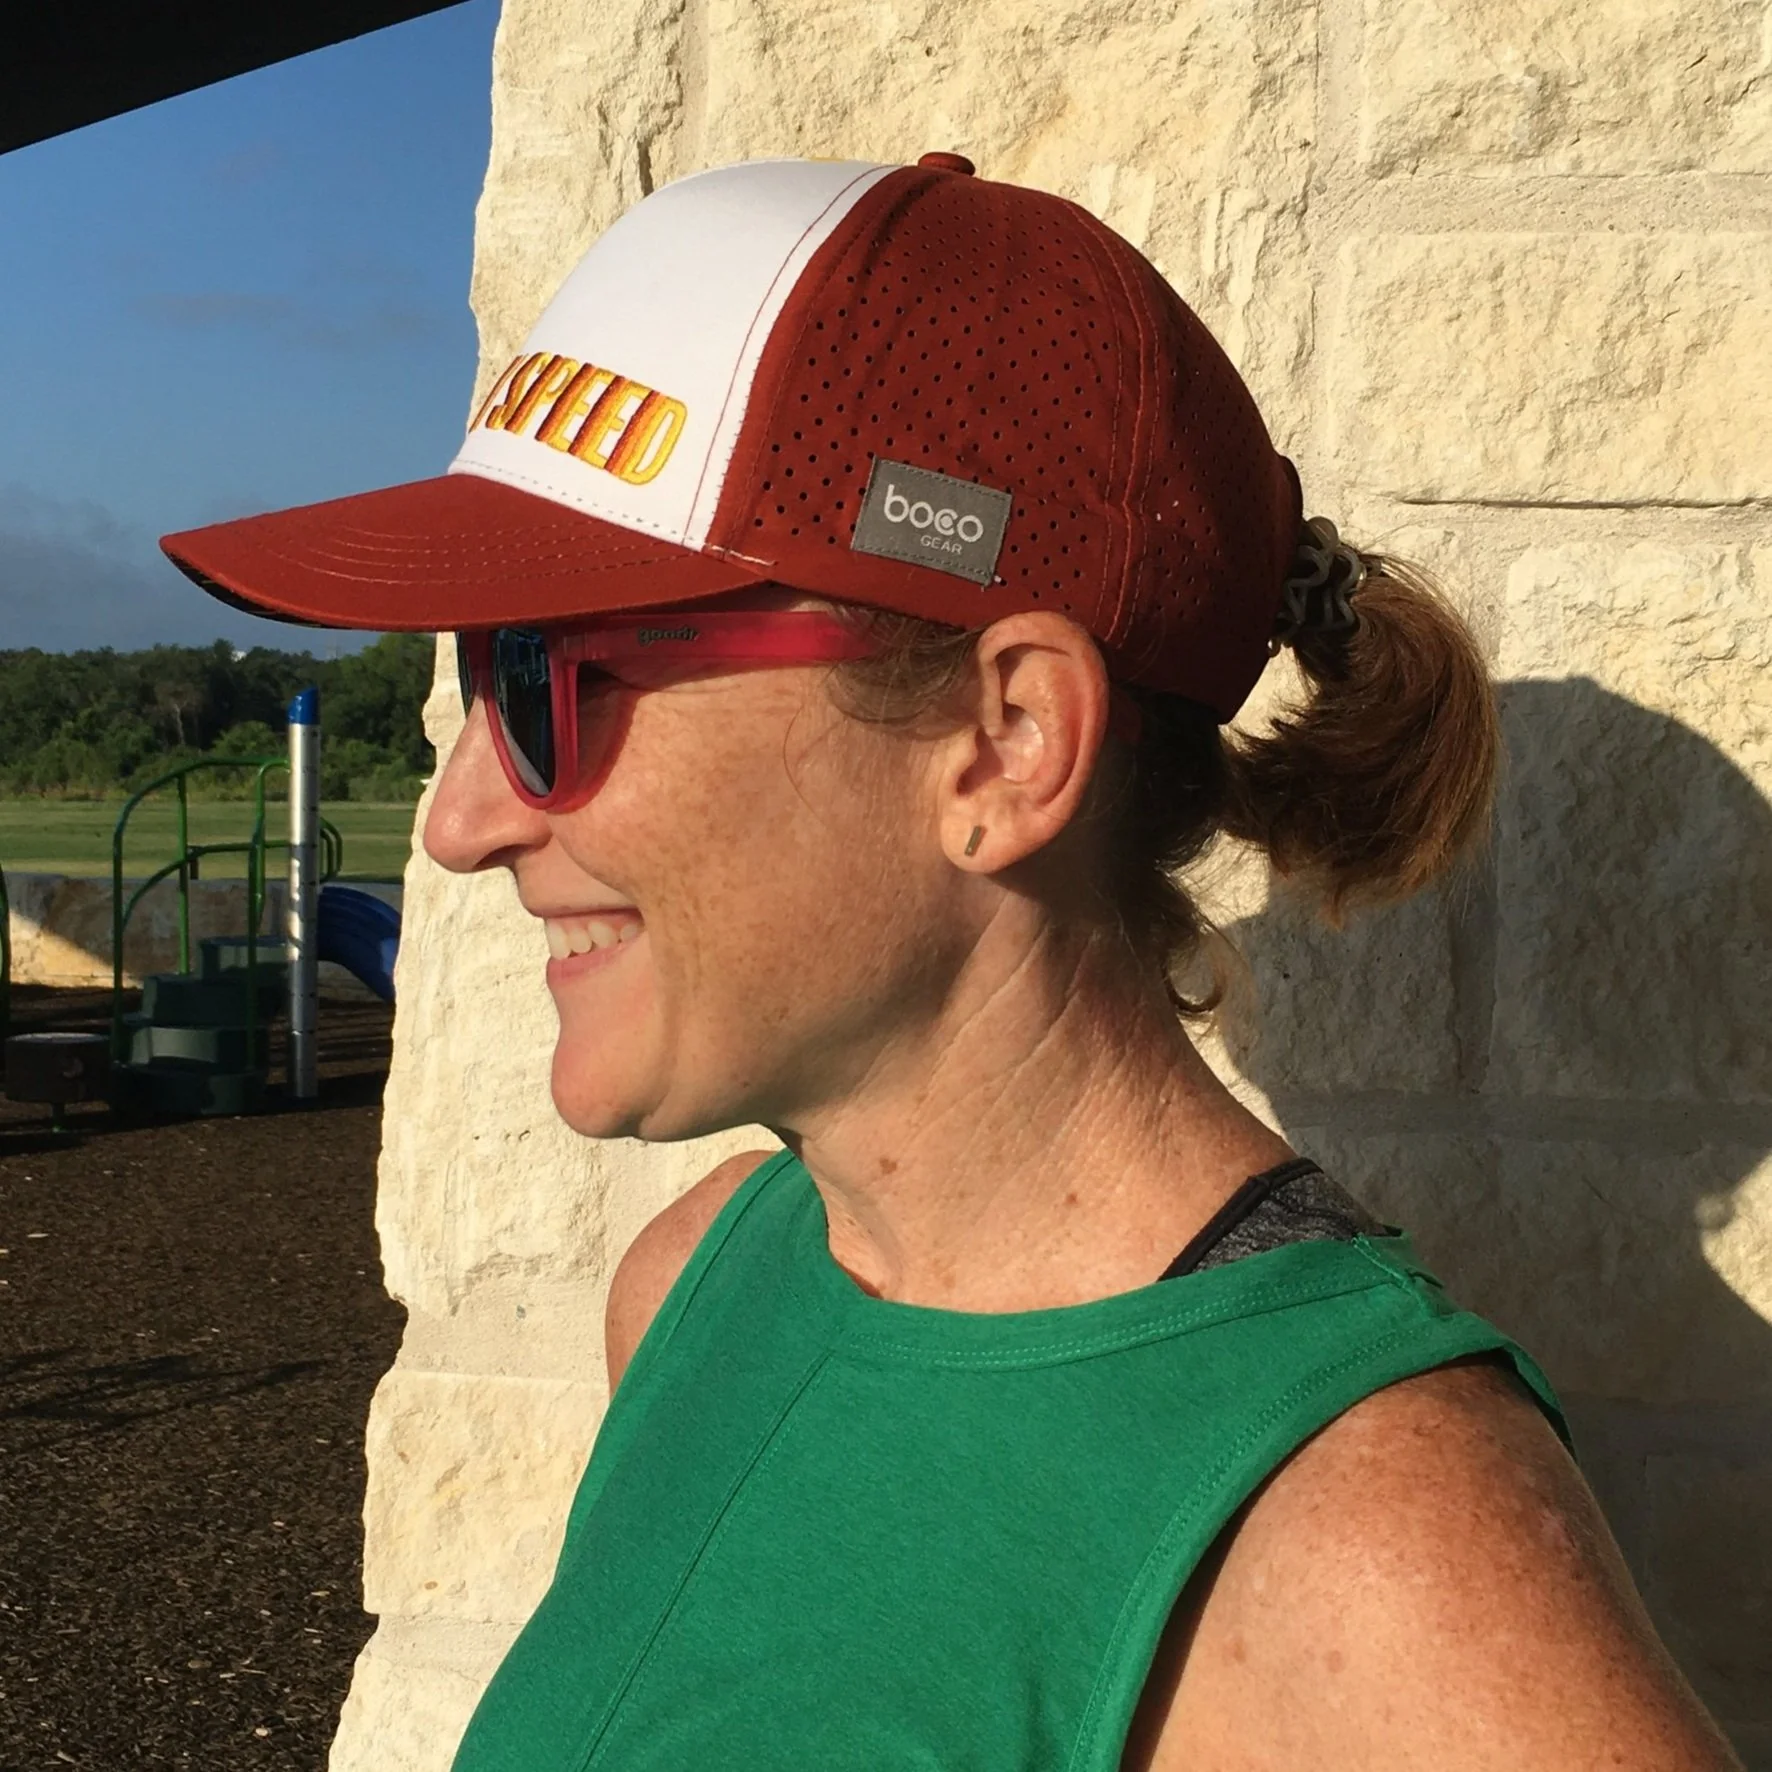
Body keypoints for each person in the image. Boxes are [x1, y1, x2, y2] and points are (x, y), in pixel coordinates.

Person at [162, 154, 1742, 1771]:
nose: (461, 822)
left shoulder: (1372, 1548)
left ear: (1005, 741)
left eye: (550, 674)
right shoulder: (700, 1287)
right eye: (474, 666)